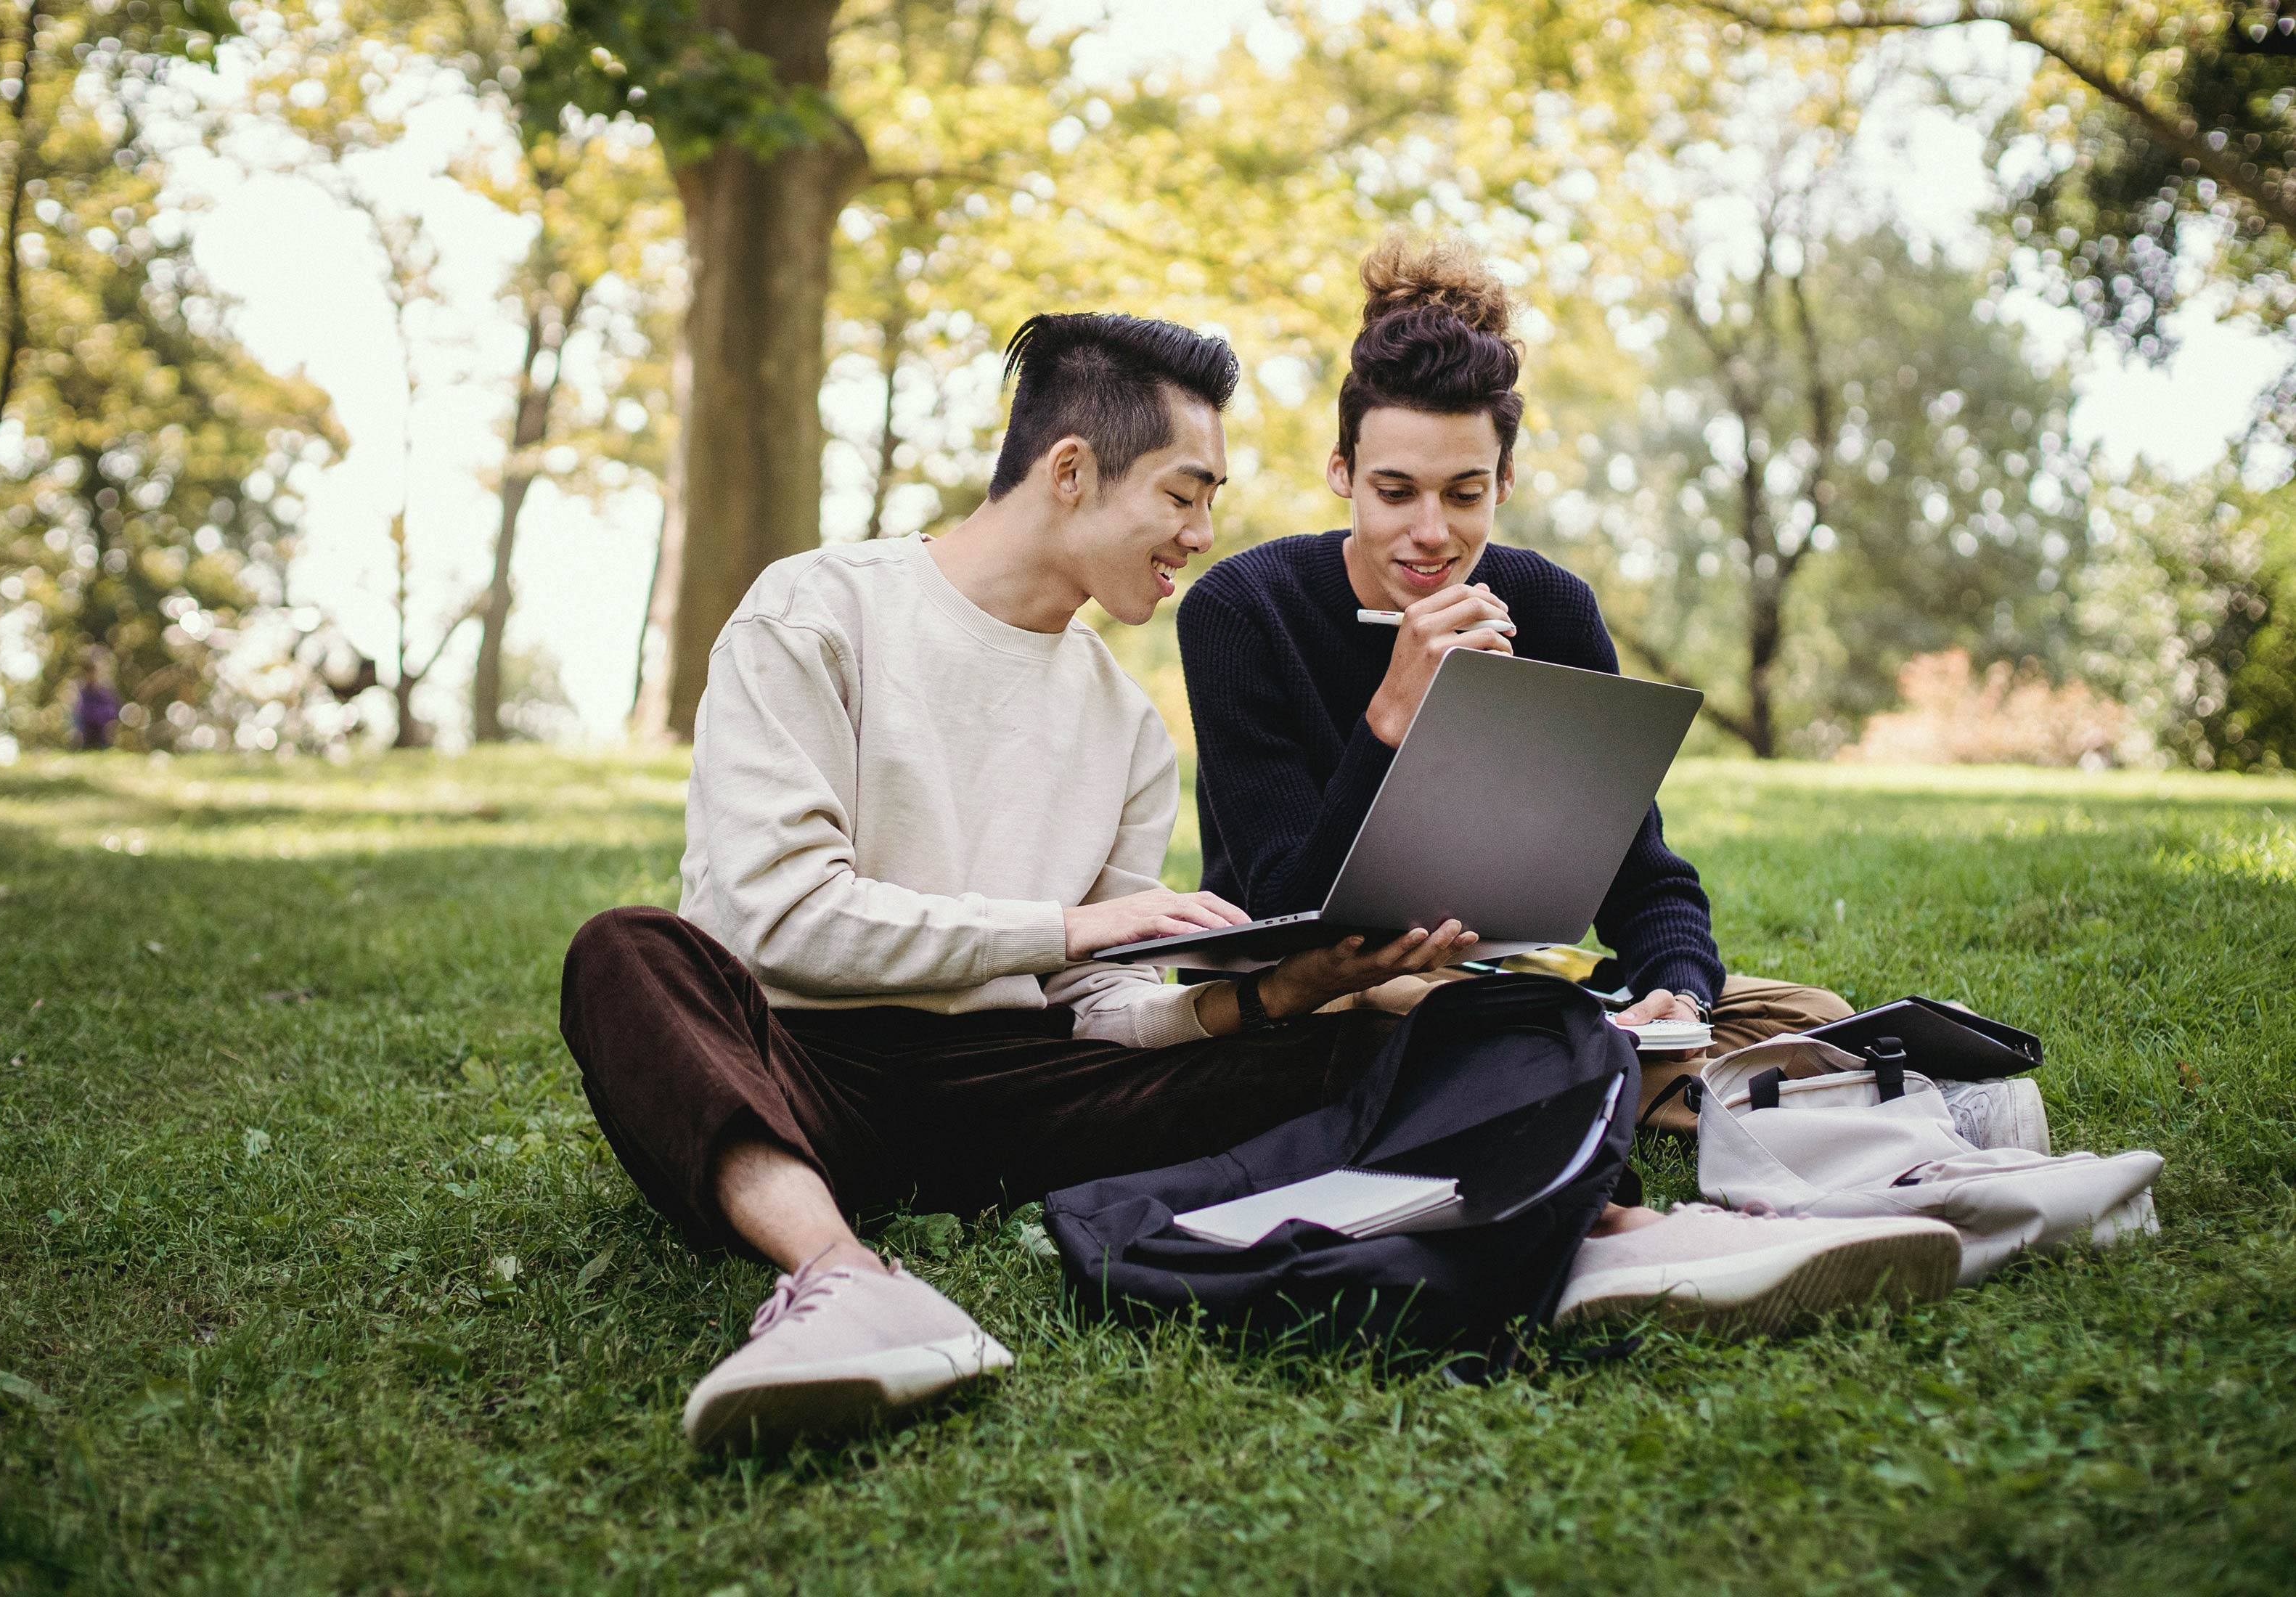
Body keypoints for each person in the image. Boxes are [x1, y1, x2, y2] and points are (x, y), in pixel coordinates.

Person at [560, 311, 1957, 1454]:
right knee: (630, 953)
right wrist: (1077, 922)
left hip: (1029, 1085)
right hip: (801, 1058)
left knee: (1384, 1025)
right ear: (1067, 473)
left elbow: (1094, 1010)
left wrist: (1272, 992)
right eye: (1184, 494)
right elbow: (764, 917)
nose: (1199, 533)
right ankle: (846, 1285)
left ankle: (1615, 1229)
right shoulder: (819, 613)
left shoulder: (1119, 721)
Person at [1175, 236, 1854, 1133]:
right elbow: (1284, 911)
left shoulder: (1553, 611)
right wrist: (1392, 715)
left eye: (1463, 494)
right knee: (1450, 1028)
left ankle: (1663, 1075)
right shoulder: (1243, 610)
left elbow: (1644, 876)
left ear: (1504, 481)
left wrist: (1678, 997)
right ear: (1342, 474)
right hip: (1329, 998)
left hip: (1511, 978)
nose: (1431, 532)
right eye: (1394, 492)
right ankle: (1761, 1108)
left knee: (1814, 1018)